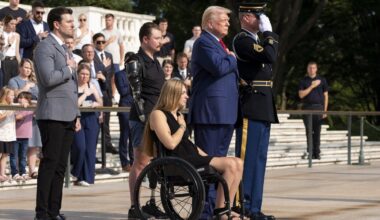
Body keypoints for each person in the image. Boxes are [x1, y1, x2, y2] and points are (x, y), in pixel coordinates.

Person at [144, 79, 243, 219]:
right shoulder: (158, 114)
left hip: (191, 156)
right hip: (178, 162)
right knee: (231, 164)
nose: (187, 96)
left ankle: (227, 208)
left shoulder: (178, 115)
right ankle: (221, 212)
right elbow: (170, 144)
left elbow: (188, 143)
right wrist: (182, 127)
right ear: (173, 93)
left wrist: (208, 157)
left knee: (238, 162)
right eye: (183, 93)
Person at [188, 6, 239, 219]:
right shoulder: (204, 42)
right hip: (211, 114)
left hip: (224, 113)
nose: (228, 23)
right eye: (224, 19)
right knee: (208, 167)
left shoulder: (218, 43)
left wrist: (229, 57)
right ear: (209, 22)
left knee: (218, 168)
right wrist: (232, 58)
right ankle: (204, 213)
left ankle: (216, 210)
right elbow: (218, 67)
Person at [33, 7, 80, 220]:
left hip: (68, 115)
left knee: (61, 166)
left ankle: (54, 211)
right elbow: (47, 78)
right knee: (50, 164)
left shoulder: (65, 49)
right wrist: (69, 69)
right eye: (69, 21)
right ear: (57, 24)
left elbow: (72, 87)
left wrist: (76, 114)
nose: (73, 24)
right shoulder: (45, 46)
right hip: (52, 114)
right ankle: (41, 213)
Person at [232, 3, 279, 220]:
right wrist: (269, 32)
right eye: (257, 15)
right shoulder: (242, 40)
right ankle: (243, 204)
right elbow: (270, 56)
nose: (262, 19)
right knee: (248, 158)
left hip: (263, 105)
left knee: (259, 160)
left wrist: (266, 36)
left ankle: (254, 208)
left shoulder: (256, 40)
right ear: (246, 17)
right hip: (251, 105)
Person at [127, 22, 166, 219]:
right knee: (141, 163)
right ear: (145, 39)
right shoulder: (135, 59)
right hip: (142, 119)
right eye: (157, 38)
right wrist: (145, 119)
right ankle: (135, 207)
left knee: (156, 163)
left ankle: (151, 202)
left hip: (158, 118)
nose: (160, 41)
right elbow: (136, 93)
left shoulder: (156, 61)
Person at [8, 58, 41, 179]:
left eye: (29, 68)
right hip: (20, 117)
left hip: (34, 115)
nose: (27, 70)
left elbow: (40, 96)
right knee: (19, 146)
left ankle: (32, 170)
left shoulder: (35, 82)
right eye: (25, 67)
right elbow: (14, 95)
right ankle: (17, 171)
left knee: (33, 144)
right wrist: (26, 87)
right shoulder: (14, 80)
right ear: (20, 67)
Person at [71, 63, 103, 187]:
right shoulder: (73, 86)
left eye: (87, 74)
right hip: (77, 119)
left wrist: (96, 104)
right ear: (78, 74)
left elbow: (100, 101)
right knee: (80, 147)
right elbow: (75, 104)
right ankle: (76, 172)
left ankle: (87, 178)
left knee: (90, 149)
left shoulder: (92, 85)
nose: (84, 76)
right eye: (82, 74)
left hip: (91, 119)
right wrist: (85, 94)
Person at [298, 61, 329, 160]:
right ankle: (310, 152)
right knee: (309, 131)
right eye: (310, 68)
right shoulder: (303, 81)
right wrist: (312, 86)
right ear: (307, 69)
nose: (312, 70)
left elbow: (326, 96)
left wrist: (325, 111)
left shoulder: (322, 80)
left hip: (319, 108)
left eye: (313, 68)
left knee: (317, 131)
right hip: (307, 108)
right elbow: (301, 95)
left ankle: (317, 153)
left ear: (316, 69)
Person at [92, 32, 117, 154]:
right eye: (98, 42)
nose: (101, 44)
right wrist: (103, 66)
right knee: (97, 122)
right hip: (96, 93)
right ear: (94, 43)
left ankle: (107, 144)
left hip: (107, 93)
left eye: (103, 41)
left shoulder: (109, 55)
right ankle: (95, 148)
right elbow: (96, 74)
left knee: (106, 121)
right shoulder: (92, 55)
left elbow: (110, 75)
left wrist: (112, 92)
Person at [114, 52, 135, 172]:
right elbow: (123, 91)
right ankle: (124, 162)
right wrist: (133, 82)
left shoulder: (137, 74)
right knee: (124, 135)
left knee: (134, 137)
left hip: (135, 108)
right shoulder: (119, 74)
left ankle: (133, 160)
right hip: (125, 108)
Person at [10, 91, 33, 181]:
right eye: (19, 97)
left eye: (23, 97)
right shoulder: (15, 107)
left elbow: (38, 104)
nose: (20, 99)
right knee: (13, 155)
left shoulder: (30, 108)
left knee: (23, 155)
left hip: (25, 136)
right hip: (14, 135)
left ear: (27, 100)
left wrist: (29, 104)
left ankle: (23, 172)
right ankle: (14, 173)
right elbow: (17, 117)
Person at [0, 87, 16, 183]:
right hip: (1, 134)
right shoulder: (1, 106)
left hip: (9, 135)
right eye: (11, 95)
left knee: (5, 155)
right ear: (5, 95)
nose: (13, 97)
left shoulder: (13, 105)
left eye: (13, 95)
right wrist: (8, 112)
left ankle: (2, 174)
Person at [1, 15, 21, 86]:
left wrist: (20, 64)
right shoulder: (1, 34)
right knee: (5, 84)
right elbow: (1, 51)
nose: (14, 26)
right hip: (5, 61)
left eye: (15, 24)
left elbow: (17, 52)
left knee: (14, 83)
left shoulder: (17, 35)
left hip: (14, 61)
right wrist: (9, 44)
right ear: (6, 23)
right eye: (11, 24)